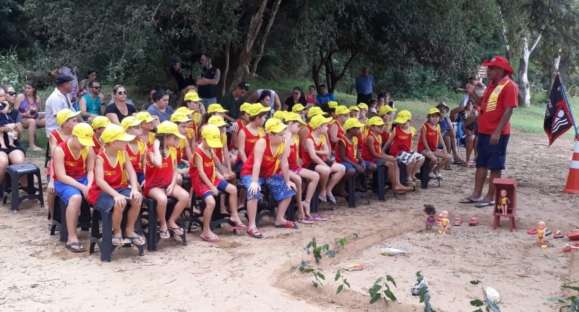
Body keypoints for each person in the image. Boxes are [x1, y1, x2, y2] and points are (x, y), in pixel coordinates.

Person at [461, 56, 518, 208]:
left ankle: (490, 197)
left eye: (491, 69)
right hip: (484, 131)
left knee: (495, 166)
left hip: (497, 133)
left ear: (500, 70)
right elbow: (482, 104)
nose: (488, 71)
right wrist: (472, 93)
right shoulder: (492, 85)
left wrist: (497, 132)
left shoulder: (509, 85)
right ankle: (476, 194)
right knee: (481, 163)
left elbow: (508, 110)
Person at [87, 124, 144, 247]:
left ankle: (129, 229)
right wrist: (116, 195)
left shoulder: (123, 153)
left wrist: (134, 188)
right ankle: (116, 232)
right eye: (123, 140)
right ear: (113, 142)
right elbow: (100, 181)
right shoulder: (100, 158)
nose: (126, 142)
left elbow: (131, 172)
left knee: (137, 199)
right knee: (119, 202)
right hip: (100, 192)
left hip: (119, 187)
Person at [240, 118, 297, 238]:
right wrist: (254, 182)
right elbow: (257, 163)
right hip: (251, 173)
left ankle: (280, 219)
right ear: (270, 134)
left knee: (289, 190)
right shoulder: (262, 142)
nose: (283, 136)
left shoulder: (283, 143)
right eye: (280, 134)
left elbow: (284, 163)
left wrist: (287, 181)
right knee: (253, 191)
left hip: (269, 173)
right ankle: (251, 225)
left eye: (283, 133)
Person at [191, 124, 245, 242]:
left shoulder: (210, 148)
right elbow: (201, 172)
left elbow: (213, 165)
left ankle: (234, 215)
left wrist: (220, 175)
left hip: (212, 177)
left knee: (233, 189)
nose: (213, 145)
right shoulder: (198, 153)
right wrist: (211, 186)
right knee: (211, 202)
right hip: (201, 182)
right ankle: (205, 231)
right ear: (204, 139)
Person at [53, 123, 95, 252]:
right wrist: (82, 187)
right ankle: (71, 237)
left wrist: (89, 185)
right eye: (82, 141)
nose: (84, 144)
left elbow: (90, 171)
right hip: (64, 181)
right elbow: (61, 175)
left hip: (83, 179)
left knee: (102, 193)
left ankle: (105, 231)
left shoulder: (88, 148)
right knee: (76, 197)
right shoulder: (60, 150)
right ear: (74, 136)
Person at [144, 121, 190, 241]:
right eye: (174, 138)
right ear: (165, 137)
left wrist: (173, 183)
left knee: (185, 196)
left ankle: (171, 220)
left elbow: (175, 170)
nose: (177, 141)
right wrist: (157, 145)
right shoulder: (151, 151)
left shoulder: (173, 150)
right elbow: (158, 163)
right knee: (162, 199)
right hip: (153, 186)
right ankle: (163, 223)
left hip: (168, 183)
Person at [283, 112, 321, 223]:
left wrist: (299, 162)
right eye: (298, 126)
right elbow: (283, 159)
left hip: (294, 167)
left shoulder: (295, 136)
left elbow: (296, 155)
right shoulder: (284, 136)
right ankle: (301, 212)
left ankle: (307, 202)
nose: (300, 128)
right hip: (285, 168)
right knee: (298, 180)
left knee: (315, 176)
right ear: (290, 124)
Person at [301, 114, 345, 204]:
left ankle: (328, 189)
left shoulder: (322, 137)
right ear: (319, 127)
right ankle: (322, 190)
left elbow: (326, 152)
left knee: (341, 168)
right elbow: (313, 157)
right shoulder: (309, 139)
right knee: (325, 170)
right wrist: (323, 162)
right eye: (325, 126)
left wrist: (316, 151)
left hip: (320, 161)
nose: (327, 128)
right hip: (311, 164)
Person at [360, 116, 411, 193]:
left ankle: (398, 184)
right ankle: (394, 185)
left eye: (382, 126)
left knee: (394, 160)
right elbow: (374, 154)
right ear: (372, 127)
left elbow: (379, 152)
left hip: (376, 158)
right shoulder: (370, 137)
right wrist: (386, 157)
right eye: (379, 126)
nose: (382, 128)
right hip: (369, 159)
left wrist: (388, 156)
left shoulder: (379, 136)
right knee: (390, 163)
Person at [385, 110, 425, 187]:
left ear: (409, 121)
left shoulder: (411, 130)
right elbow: (389, 142)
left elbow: (411, 141)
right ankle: (408, 177)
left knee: (421, 158)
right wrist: (383, 151)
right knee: (411, 159)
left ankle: (413, 174)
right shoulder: (396, 129)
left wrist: (412, 149)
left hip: (406, 151)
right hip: (397, 152)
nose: (401, 124)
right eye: (400, 122)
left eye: (403, 122)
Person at [417, 107, 451, 179]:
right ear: (429, 117)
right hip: (424, 149)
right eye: (433, 116)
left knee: (448, 157)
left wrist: (444, 148)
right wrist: (429, 150)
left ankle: (436, 170)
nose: (435, 118)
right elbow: (424, 140)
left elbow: (440, 137)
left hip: (433, 148)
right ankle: (428, 172)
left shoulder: (437, 126)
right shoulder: (425, 126)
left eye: (437, 116)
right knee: (434, 159)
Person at [335, 117, 366, 187]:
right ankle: (340, 185)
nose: (359, 131)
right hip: (342, 162)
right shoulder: (342, 140)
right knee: (351, 171)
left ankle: (355, 185)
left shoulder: (355, 139)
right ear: (351, 129)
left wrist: (361, 160)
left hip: (352, 160)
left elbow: (357, 152)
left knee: (364, 167)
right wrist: (356, 165)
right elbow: (343, 157)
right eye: (357, 129)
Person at [16, 82, 45, 151]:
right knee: (32, 121)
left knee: (48, 119)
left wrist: (34, 111)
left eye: (29, 88)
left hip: (33, 118)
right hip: (22, 119)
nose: (26, 90)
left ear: (33, 89)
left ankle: (53, 140)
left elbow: (37, 112)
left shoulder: (37, 98)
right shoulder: (20, 97)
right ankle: (32, 146)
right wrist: (25, 114)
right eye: (25, 88)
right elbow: (15, 112)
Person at [436, 102, 463, 166]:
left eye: (444, 109)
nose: (442, 110)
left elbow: (452, 131)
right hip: (437, 140)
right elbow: (437, 133)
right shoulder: (435, 119)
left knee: (449, 135)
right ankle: (453, 156)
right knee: (447, 136)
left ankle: (450, 158)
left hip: (444, 139)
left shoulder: (446, 119)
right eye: (441, 108)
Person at [121, 116, 146, 185]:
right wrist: (133, 182)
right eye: (137, 128)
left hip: (139, 174)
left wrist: (146, 179)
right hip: (125, 175)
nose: (141, 130)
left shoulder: (142, 144)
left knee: (146, 184)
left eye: (141, 127)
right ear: (127, 130)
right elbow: (122, 168)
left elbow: (144, 165)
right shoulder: (122, 146)